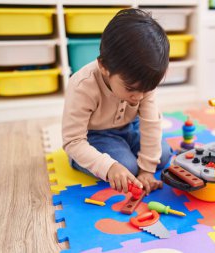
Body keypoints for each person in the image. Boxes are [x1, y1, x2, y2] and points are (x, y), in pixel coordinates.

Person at [62, 8, 172, 195]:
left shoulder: (142, 81)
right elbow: (73, 140)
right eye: (130, 89)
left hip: (131, 126)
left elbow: (151, 123)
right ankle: (77, 161)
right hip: (97, 135)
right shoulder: (82, 85)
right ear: (104, 67)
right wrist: (110, 167)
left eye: (144, 90)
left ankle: (129, 156)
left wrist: (147, 170)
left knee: (162, 155)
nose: (138, 97)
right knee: (126, 166)